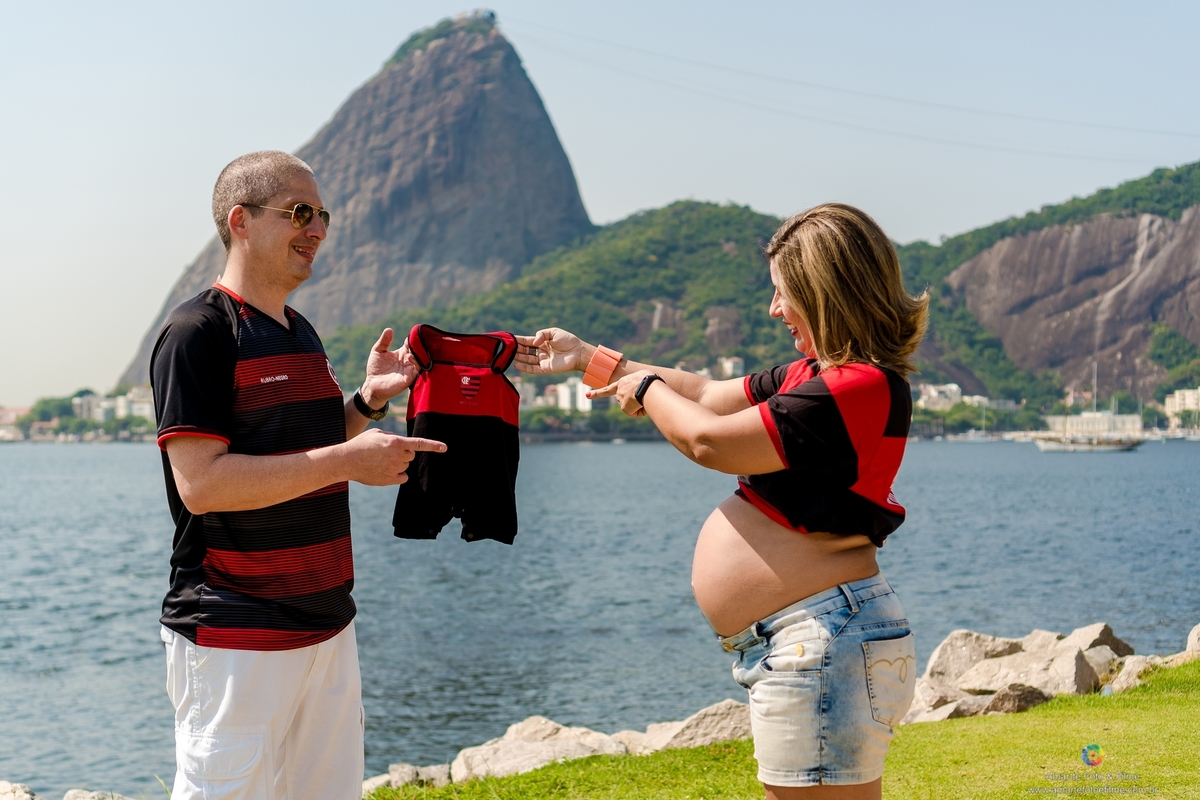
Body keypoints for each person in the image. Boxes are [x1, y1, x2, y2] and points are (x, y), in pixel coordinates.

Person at [515, 203, 927, 800]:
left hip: (823, 636)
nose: (774, 309)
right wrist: (589, 359)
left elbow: (708, 440)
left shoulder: (856, 388)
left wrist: (647, 390)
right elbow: (708, 394)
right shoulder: (818, 377)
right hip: (813, 636)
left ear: (825, 292)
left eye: (784, 293)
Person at [150, 150, 443, 800]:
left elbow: (303, 442)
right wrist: (348, 462)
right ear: (242, 221)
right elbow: (202, 484)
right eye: (300, 212)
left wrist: (367, 402)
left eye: (324, 217)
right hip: (236, 634)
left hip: (328, 626)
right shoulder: (198, 331)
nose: (318, 230)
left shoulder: (300, 332)